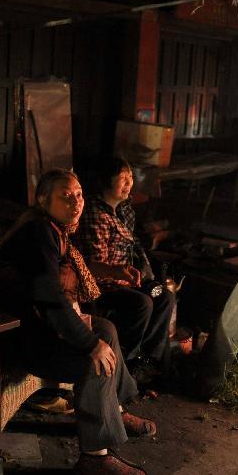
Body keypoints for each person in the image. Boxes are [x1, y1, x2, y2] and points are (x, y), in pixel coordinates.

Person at [0, 169, 154, 475]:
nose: (76, 202)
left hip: (36, 326)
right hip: (19, 335)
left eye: (79, 194)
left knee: (106, 327)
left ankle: (115, 410)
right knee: (93, 359)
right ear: (43, 200)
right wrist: (88, 344)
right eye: (65, 196)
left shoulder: (54, 229)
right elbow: (48, 296)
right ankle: (95, 458)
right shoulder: (38, 233)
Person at [74, 157, 175, 377]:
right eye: (123, 178)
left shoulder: (125, 209)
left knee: (166, 297)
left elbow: (134, 244)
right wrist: (119, 272)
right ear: (105, 182)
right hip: (102, 285)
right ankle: (124, 363)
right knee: (142, 303)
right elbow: (92, 265)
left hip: (128, 278)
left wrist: (144, 268)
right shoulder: (93, 213)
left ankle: (148, 360)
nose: (129, 183)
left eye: (130, 177)